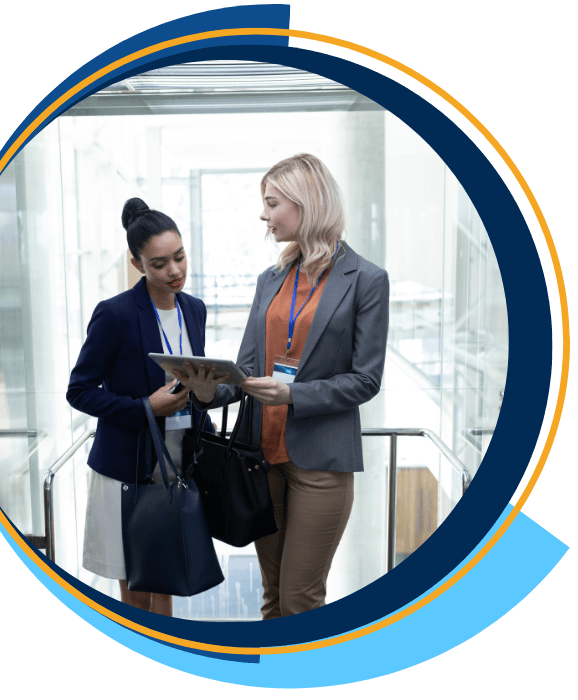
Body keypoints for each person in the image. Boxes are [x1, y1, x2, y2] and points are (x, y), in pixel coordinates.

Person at [171, 154, 390, 618]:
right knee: (271, 593)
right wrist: (210, 390)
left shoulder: (366, 280)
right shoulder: (270, 280)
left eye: (272, 203)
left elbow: (366, 379)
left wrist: (294, 394)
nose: (264, 215)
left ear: (305, 203)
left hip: (321, 464)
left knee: (300, 599)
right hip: (258, 458)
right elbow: (249, 367)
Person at [66, 197, 214, 616]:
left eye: (180, 258)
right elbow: (79, 390)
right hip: (126, 468)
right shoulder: (115, 314)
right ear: (137, 265)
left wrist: (206, 391)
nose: (175, 271)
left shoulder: (194, 310)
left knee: (166, 579)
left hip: (176, 462)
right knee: (133, 588)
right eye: (160, 263)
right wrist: (145, 407)